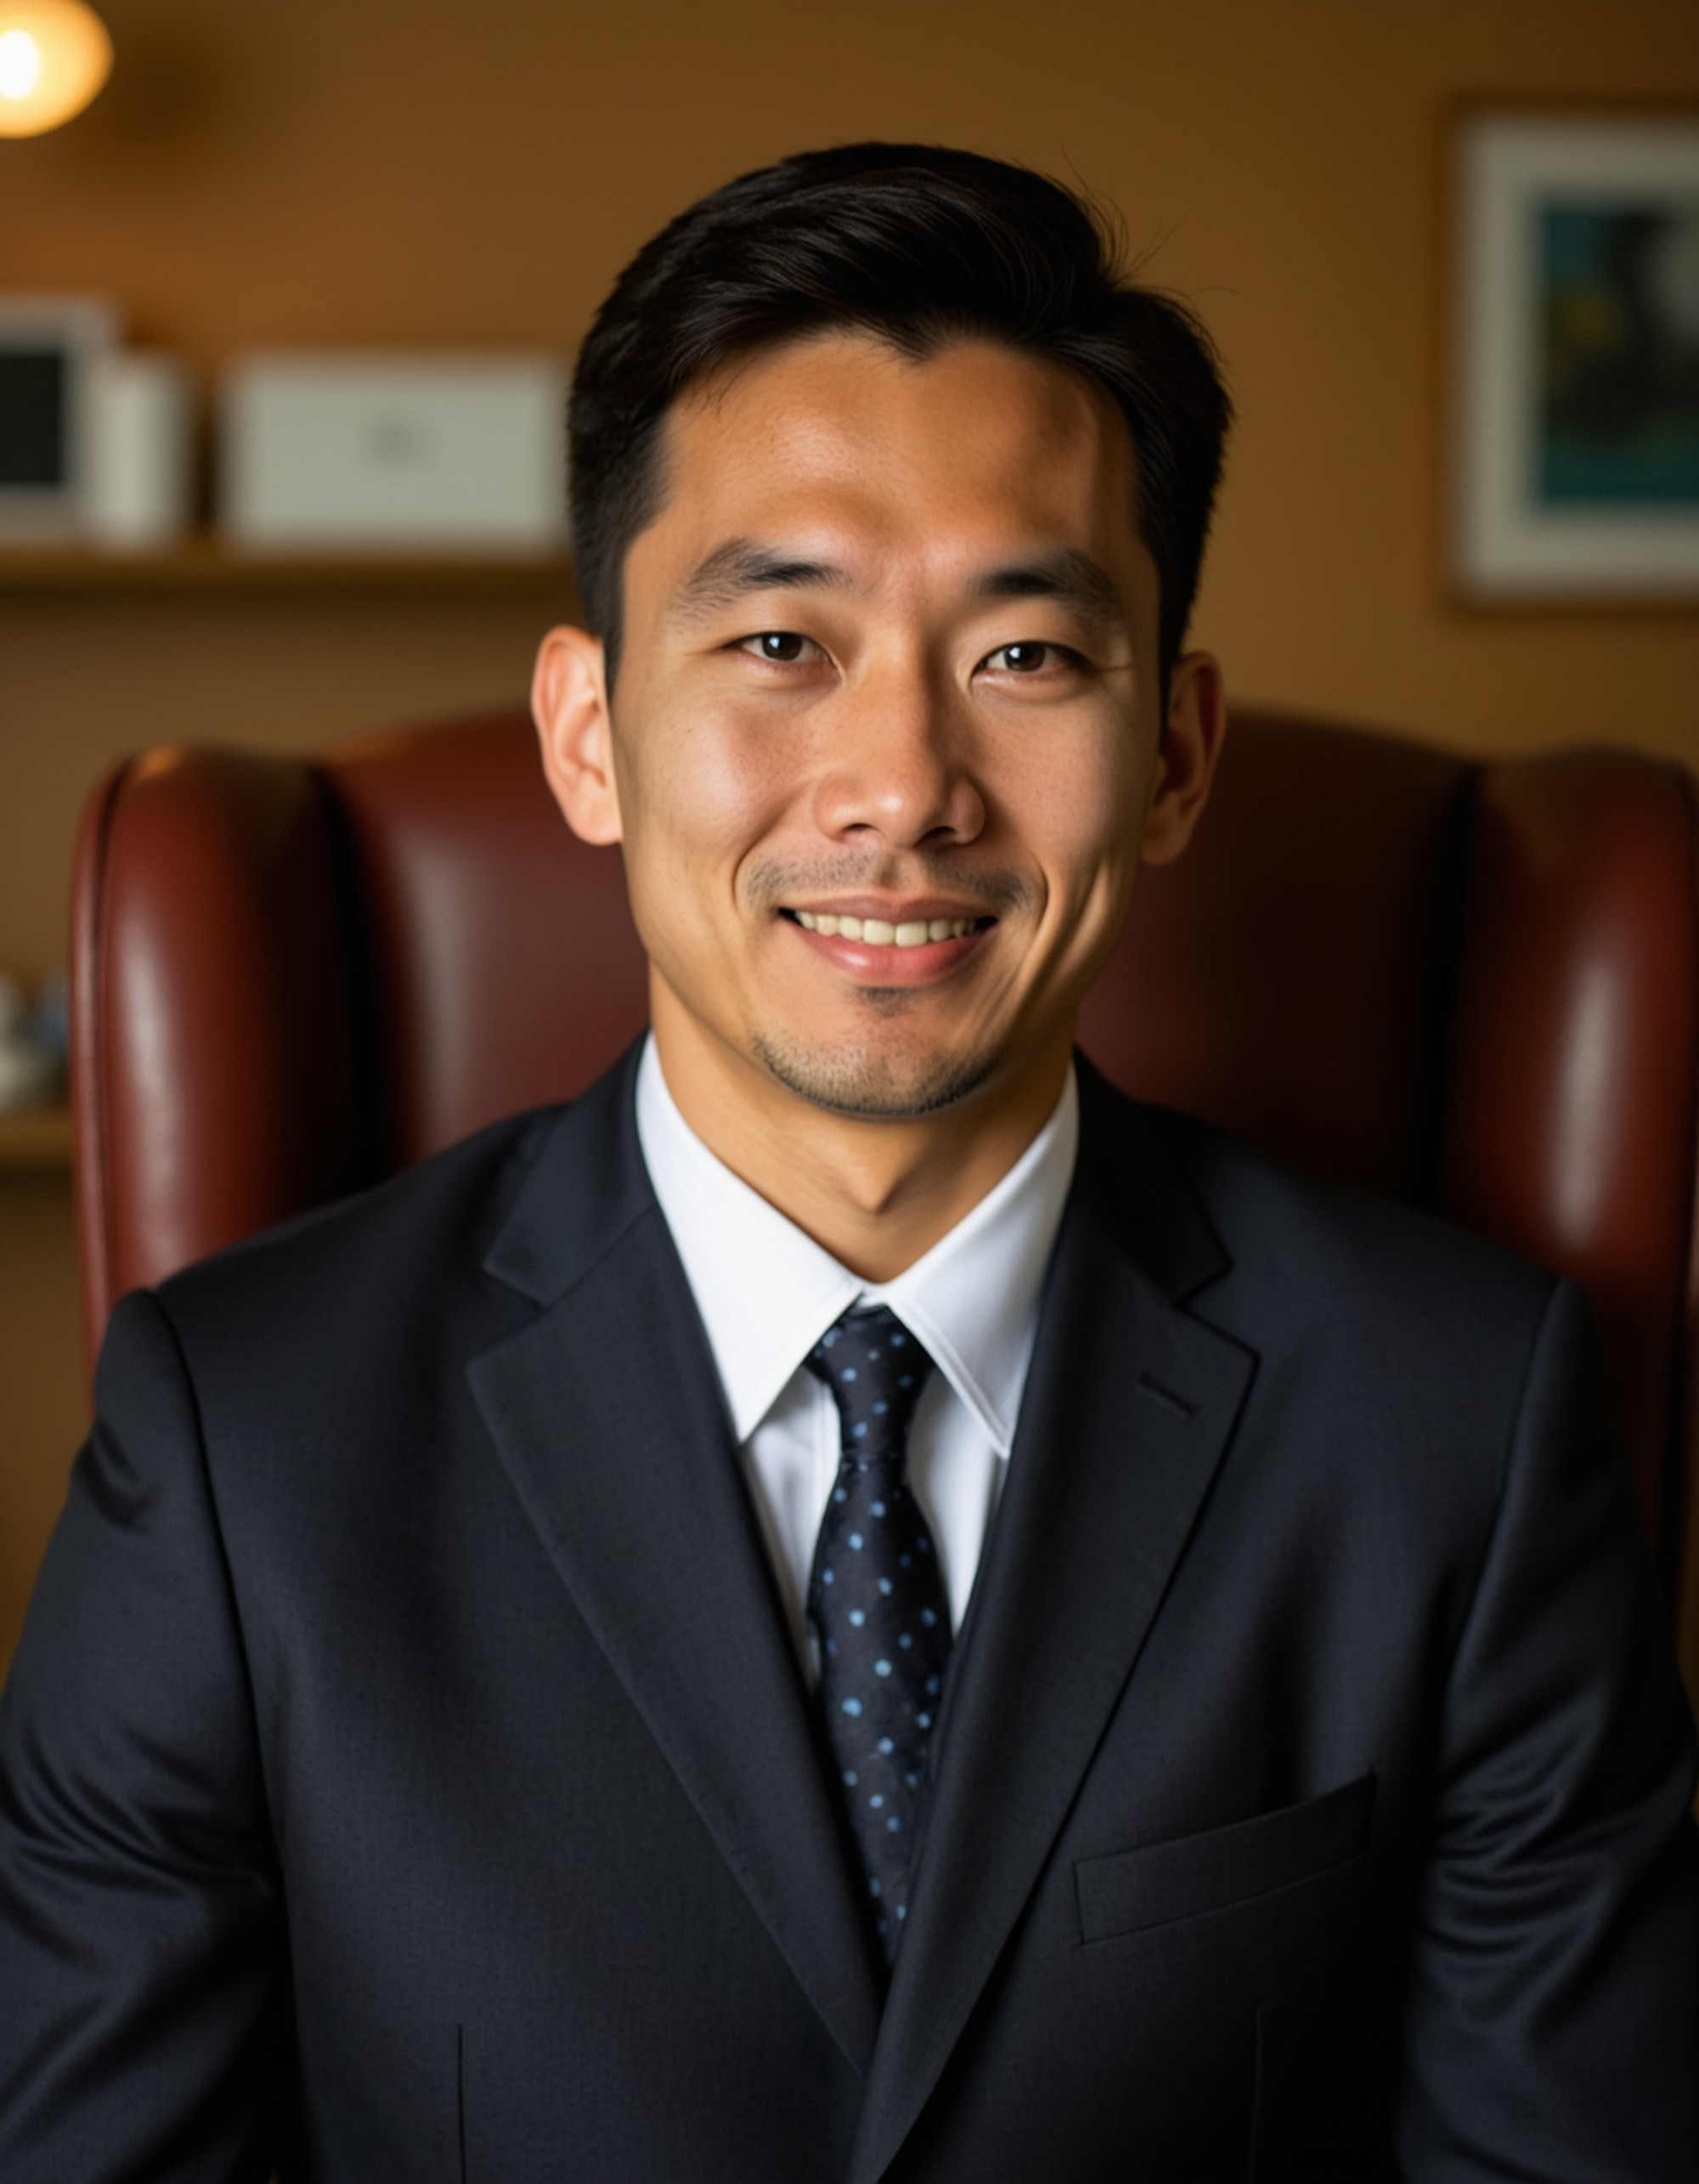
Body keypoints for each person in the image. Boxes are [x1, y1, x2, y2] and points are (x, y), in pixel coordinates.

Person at [2, 143, 1695, 2182]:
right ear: (587, 734)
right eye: (781, 644)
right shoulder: (235, 1438)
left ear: (1172, 755)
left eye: (1027, 654)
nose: (900, 789)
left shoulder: (1461, 1423)